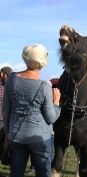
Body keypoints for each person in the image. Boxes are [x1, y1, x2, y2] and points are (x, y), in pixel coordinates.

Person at [3, 44, 61, 177]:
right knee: (43, 174)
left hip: (15, 135)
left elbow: (6, 110)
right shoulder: (44, 86)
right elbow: (51, 117)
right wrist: (57, 101)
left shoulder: (11, 79)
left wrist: (8, 133)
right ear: (43, 61)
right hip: (39, 138)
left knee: (16, 173)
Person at [0, 66, 12, 160]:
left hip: (7, 119)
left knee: (4, 141)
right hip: (2, 118)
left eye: (2, 73)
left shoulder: (12, 86)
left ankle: (5, 158)